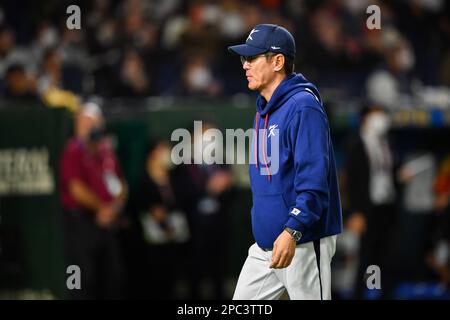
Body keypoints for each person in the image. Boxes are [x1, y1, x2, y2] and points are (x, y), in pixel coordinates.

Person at [228, 24, 342, 300]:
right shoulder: (264, 109)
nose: (245, 65)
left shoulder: (303, 105)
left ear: (278, 61)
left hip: (301, 240)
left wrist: (293, 230)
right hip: (265, 245)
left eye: (252, 58)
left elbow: (314, 180)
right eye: (245, 58)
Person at [59, 102, 127, 299]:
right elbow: (75, 188)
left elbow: (121, 183)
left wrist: (115, 207)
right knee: (79, 278)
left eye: (90, 122)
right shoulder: (73, 150)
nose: (85, 126)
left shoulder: (106, 150)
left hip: (106, 223)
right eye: (81, 122)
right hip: (80, 223)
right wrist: (102, 208)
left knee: (111, 277)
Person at [344, 105, 398, 299]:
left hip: (387, 207)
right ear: (366, 118)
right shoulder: (356, 145)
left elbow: (385, 174)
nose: (382, 118)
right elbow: (351, 182)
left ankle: (385, 294)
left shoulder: (387, 143)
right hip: (366, 209)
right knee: (364, 257)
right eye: (377, 114)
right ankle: (359, 294)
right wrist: (354, 213)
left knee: (387, 256)